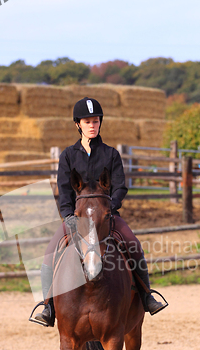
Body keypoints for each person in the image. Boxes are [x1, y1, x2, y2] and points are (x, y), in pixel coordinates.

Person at [30, 97, 166, 327]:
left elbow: (121, 185)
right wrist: (68, 216)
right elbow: (64, 189)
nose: (92, 125)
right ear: (78, 125)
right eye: (87, 121)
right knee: (50, 252)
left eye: (96, 121)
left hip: (106, 215)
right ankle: (47, 306)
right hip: (77, 217)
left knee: (133, 243)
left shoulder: (111, 154)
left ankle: (146, 296)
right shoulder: (68, 156)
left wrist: (111, 207)